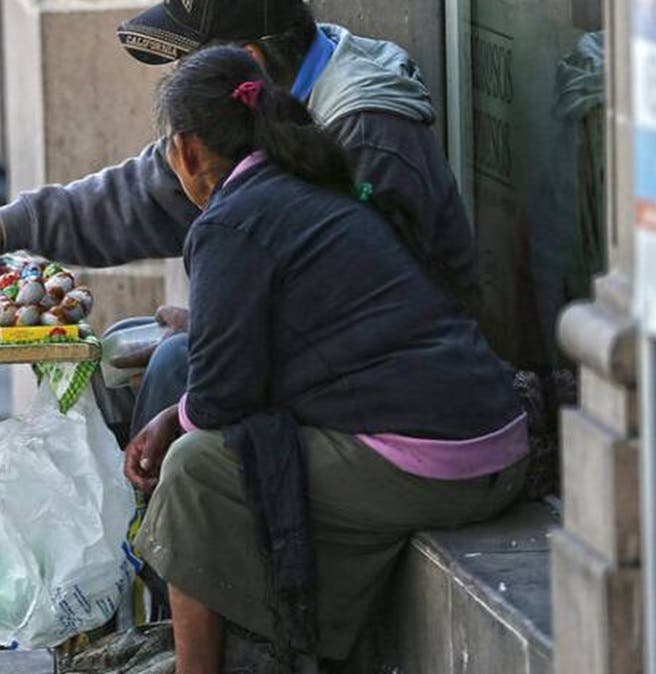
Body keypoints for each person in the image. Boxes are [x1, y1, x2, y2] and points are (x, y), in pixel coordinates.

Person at [123, 46, 526, 673]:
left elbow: (221, 401)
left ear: (186, 152)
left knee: (193, 468)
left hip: (443, 462)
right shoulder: (306, 188)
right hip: (494, 440)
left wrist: (168, 420)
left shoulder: (232, 221)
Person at [0, 0, 478, 441]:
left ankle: (166, 570)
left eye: (192, 63)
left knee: (174, 371)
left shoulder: (368, 132)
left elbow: (386, 308)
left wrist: (229, 332)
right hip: (318, 348)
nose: (181, 83)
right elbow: (146, 191)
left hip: (400, 389)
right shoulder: (251, 114)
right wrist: (7, 226)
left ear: (250, 63)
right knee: (115, 358)